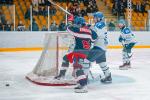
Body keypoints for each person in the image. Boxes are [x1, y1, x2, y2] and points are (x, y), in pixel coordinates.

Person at [55, 16, 97, 93]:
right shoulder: (90, 31)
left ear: (78, 24)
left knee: (77, 68)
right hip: (85, 52)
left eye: (76, 24)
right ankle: (62, 75)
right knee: (66, 58)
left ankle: (83, 85)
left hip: (79, 52)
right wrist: (89, 27)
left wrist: (70, 21)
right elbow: (94, 37)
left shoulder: (77, 30)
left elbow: (68, 28)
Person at [85, 12, 112, 83]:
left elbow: (95, 32)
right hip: (102, 47)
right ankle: (108, 76)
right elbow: (95, 29)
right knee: (102, 62)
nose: (94, 19)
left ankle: (84, 78)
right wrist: (89, 26)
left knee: (86, 60)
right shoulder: (101, 24)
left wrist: (87, 26)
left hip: (98, 47)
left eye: (95, 17)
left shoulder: (100, 24)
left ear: (99, 18)